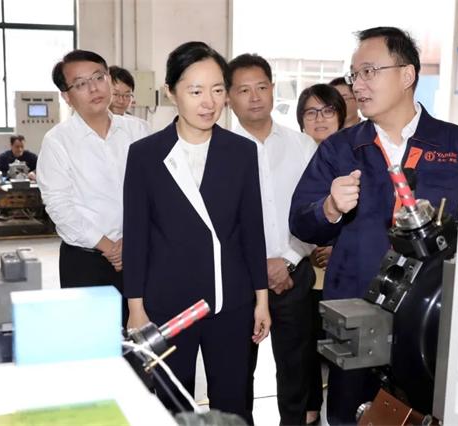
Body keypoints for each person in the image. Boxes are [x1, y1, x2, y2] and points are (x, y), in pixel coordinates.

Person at [289, 27, 458, 425]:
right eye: (354, 75)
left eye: (369, 72)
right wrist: (329, 207)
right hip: (357, 314)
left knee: (430, 412)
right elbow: (301, 221)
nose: (357, 85)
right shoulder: (340, 148)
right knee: (351, 413)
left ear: (407, 75)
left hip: (433, 320)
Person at [122, 42, 270, 424]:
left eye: (218, 89)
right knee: (174, 400)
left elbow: (252, 230)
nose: (209, 102)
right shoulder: (145, 155)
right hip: (169, 303)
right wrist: (136, 308)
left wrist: (261, 299)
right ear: (171, 92)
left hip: (230, 300)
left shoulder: (240, 151)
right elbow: (136, 237)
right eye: (196, 91)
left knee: (234, 399)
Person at [227, 53, 317, 426]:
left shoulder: (303, 146)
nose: (254, 97)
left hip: (293, 275)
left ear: (273, 89)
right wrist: (255, 267)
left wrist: (289, 259)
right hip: (236, 280)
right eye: (243, 90)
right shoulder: (217, 151)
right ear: (228, 97)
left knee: (295, 367)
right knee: (236, 370)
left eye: (261, 87)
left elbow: (315, 211)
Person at [37, 50, 150, 300]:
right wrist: (109, 248)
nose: (94, 88)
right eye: (80, 84)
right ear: (67, 96)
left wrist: (132, 242)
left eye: (99, 77)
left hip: (140, 252)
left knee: (143, 324)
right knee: (93, 326)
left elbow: (155, 191)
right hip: (86, 262)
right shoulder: (57, 142)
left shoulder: (139, 131)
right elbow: (59, 206)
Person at [295, 83, 346, 425]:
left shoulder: (353, 156)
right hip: (303, 267)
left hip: (344, 269)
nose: (319, 119)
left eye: (328, 111)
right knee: (306, 344)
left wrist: (336, 246)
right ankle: (311, 406)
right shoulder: (293, 157)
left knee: (343, 345)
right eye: (311, 112)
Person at [108, 65, 152, 133]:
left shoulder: (141, 127)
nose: (121, 101)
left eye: (127, 95)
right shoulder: (92, 126)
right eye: (116, 94)